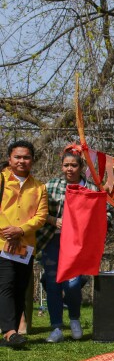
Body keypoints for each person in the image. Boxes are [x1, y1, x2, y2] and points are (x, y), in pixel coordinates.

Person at [36, 144, 111, 343]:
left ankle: (75, 319)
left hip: (78, 244)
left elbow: (106, 213)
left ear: (80, 167)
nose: (69, 169)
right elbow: (39, 213)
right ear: (61, 166)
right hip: (54, 240)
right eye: (66, 165)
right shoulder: (50, 186)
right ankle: (56, 327)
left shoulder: (92, 188)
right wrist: (54, 220)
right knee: (53, 283)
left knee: (73, 283)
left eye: (74, 165)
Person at [0, 141, 48, 348]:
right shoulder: (2, 180)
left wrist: (20, 230)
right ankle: (10, 332)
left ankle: (9, 333)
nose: (21, 161)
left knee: (20, 288)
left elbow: (41, 216)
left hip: (25, 247)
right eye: (17, 157)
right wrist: (8, 232)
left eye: (26, 157)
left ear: (32, 160)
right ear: (9, 159)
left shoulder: (39, 187)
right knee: (6, 285)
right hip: (1, 244)